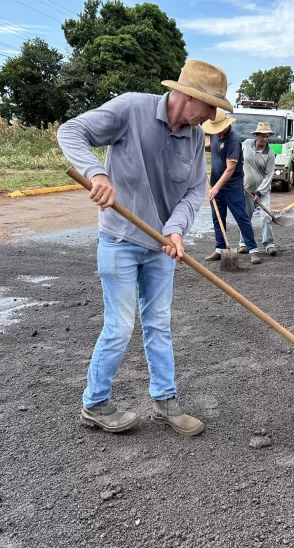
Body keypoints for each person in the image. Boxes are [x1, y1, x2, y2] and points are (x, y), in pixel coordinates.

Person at [57, 60, 232, 435]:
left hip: (161, 247)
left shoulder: (192, 135)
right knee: (119, 326)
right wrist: (96, 172)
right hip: (120, 239)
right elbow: (71, 131)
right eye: (210, 107)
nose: (213, 116)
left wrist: (175, 230)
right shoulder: (131, 109)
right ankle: (95, 404)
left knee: (158, 324)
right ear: (188, 97)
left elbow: (194, 191)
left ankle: (165, 402)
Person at [203, 109, 261, 265]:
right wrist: (201, 147)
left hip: (232, 187)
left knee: (241, 217)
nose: (215, 131)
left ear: (225, 125)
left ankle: (253, 250)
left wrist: (215, 188)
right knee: (217, 218)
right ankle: (219, 248)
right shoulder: (216, 134)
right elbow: (212, 145)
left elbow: (230, 168)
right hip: (216, 184)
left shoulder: (233, 140)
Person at [240, 122, 277, 256]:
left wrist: (260, 192)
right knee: (245, 216)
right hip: (247, 188)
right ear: (256, 136)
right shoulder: (246, 145)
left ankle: (269, 244)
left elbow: (269, 175)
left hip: (263, 190)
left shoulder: (270, 154)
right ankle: (243, 243)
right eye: (262, 136)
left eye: (267, 136)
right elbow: (239, 160)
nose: (265, 139)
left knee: (266, 217)